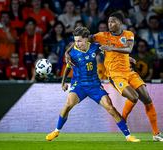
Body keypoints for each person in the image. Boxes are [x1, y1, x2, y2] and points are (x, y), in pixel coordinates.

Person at [65, 12, 163, 141]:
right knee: (133, 97)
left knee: (147, 99)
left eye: (112, 21)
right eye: (109, 22)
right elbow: (81, 39)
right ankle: (124, 118)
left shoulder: (128, 34)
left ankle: (156, 134)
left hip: (129, 72)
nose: (109, 24)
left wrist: (112, 49)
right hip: (115, 75)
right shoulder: (102, 36)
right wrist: (67, 52)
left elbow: (128, 49)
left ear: (120, 23)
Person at [46, 26, 140, 142]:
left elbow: (110, 52)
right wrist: (63, 81)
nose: (77, 43)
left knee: (110, 108)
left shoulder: (95, 47)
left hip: (95, 85)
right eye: (75, 41)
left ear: (86, 39)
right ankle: (56, 131)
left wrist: (126, 58)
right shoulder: (72, 53)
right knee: (68, 105)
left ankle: (128, 136)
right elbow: (67, 67)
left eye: (79, 41)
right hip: (79, 85)